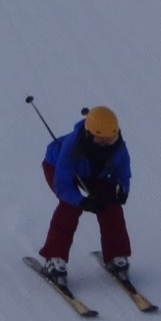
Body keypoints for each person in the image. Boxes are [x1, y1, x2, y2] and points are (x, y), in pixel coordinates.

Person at [38, 106, 131, 285]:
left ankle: (116, 255)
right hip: (58, 168)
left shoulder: (119, 147)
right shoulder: (72, 147)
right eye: (100, 140)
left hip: (95, 174)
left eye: (110, 140)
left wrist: (121, 190)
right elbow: (63, 185)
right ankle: (54, 257)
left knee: (111, 206)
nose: (106, 145)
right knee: (69, 208)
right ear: (89, 134)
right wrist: (82, 201)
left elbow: (122, 174)